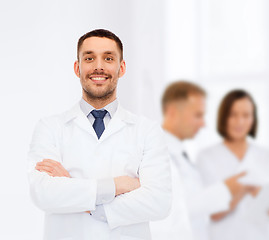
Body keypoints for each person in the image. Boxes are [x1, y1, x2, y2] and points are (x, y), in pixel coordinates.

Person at [27, 29, 171, 240]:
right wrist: (119, 185)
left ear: (121, 68)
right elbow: (43, 194)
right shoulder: (50, 127)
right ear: (77, 68)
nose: (98, 66)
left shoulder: (146, 131)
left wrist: (80, 195)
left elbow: (159, 202)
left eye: (108, 58)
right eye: (89, 58)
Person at [150, 81, 248, 240]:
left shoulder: (180, 154)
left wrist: (232, 195)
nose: (203, 124)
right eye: (198, 115)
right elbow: (172, 211)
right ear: (173, 112)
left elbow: (195, 206)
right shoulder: (155, 153)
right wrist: (225, 189)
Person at [196, 89, 269, 240]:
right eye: (233, 115)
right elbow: (213, 213)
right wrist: (244, 189)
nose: (240, 122)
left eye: (246, 115)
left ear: (253, 119)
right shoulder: (206, 157)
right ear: (224, 117)